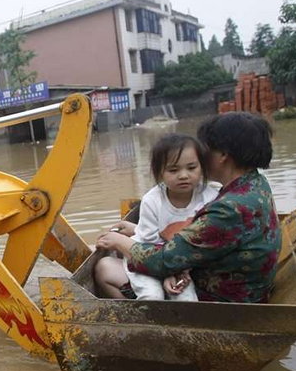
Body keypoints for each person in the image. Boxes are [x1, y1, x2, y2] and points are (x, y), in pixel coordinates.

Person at [95, 112, 280, 304]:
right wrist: (137, 230)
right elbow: (207, 236)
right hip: (241, 288)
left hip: (219, 302)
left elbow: (163, 260)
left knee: (105, 267)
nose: (201, 155)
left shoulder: (228, 209)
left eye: (204, 148)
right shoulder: (255, 184)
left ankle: (152, 326)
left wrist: (117, 241)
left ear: (223, 155)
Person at [95, 133, 219, 301]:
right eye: (173, 170)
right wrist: (166, 273)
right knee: (152, 296)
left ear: (202, 168)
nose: (183, 175)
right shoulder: (152, 201)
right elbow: (146, 248)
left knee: (187, 300)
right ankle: (144, 325)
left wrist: (177, 272)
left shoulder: (211, 197)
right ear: (159, 173)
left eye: (191, 168)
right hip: (146, 260)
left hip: (183, 264)